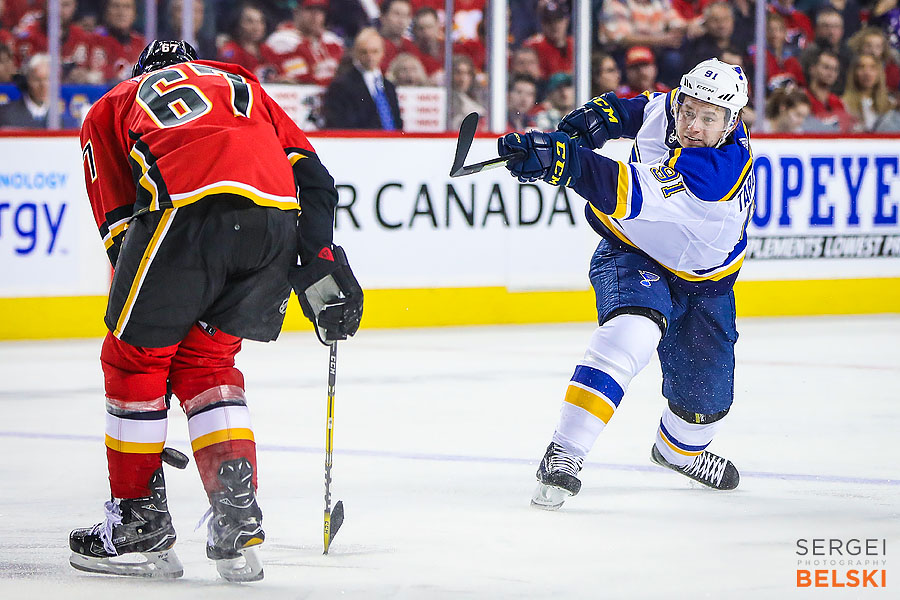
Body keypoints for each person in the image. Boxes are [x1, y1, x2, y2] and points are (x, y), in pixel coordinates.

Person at [68, 40, 363, 581]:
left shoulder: (114, 101)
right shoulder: (240, 84)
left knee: (134, 360)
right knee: (208, 365)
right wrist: (319, 257)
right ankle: (236, 517)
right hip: (274, 220)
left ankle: (137, 523)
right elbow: (315, 178)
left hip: (186, 212)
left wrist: (152, 319)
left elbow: (118, 222)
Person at [497, 57, 753, 509]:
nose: (692, 125)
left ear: (732, 121)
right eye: (688, 110)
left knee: (705, 403)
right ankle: (565, 451)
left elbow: (621, 188)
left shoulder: (718, 171)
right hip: (632, 251)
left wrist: (562, 159)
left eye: (708, 118)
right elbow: (636, 110)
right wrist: (593, 122)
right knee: (631, 333)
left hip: (705, 284)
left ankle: (679, 451)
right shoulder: (674, 108)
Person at [323, 27, 402, 129]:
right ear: (356, 53)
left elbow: (396, 122)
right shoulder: (342, 85)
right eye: (364, 52)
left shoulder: (389, 86)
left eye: (374, 51)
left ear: (382, 53)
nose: (370, 57)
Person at [842, 52, 900, 131]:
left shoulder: (890, 104)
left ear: (879, 73)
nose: (867, 73)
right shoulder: (843, 104)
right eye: (862, 67)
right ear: (854, 73)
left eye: (873, 68)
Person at [0, 52, 49, 128]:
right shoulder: (6, 115)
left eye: (47, 79)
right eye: (37, 80)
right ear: (27, 80)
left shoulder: (58, 118)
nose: (43, 85)